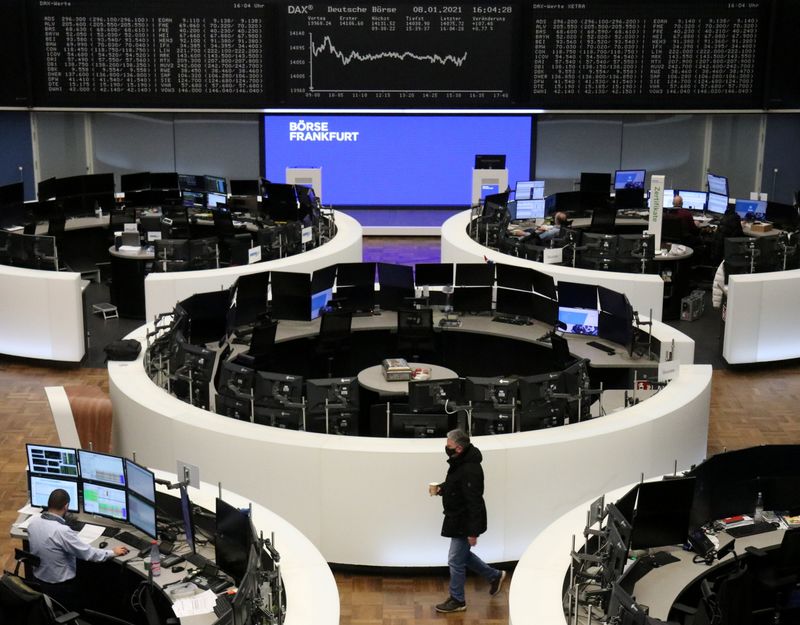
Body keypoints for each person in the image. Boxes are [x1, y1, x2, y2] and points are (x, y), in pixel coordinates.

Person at [433, 429, 506, 613]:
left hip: (463, 522)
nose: (446, 448)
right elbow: (457, 486)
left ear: (458, 448)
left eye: (448, 446)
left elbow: (473, 501)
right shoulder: (460, 462)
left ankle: (458, 600)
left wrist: (472, 532)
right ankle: (494, 576)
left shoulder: (470, 468)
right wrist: (442, 488)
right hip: (457, 518)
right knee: (462, 556)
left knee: (455, 560)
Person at [27, 489, 128, 610]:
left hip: (39, 582)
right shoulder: (61, 531)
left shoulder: (33, 523)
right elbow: (89, 554)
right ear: (66, 506)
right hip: (61, 589)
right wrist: (113, 552)